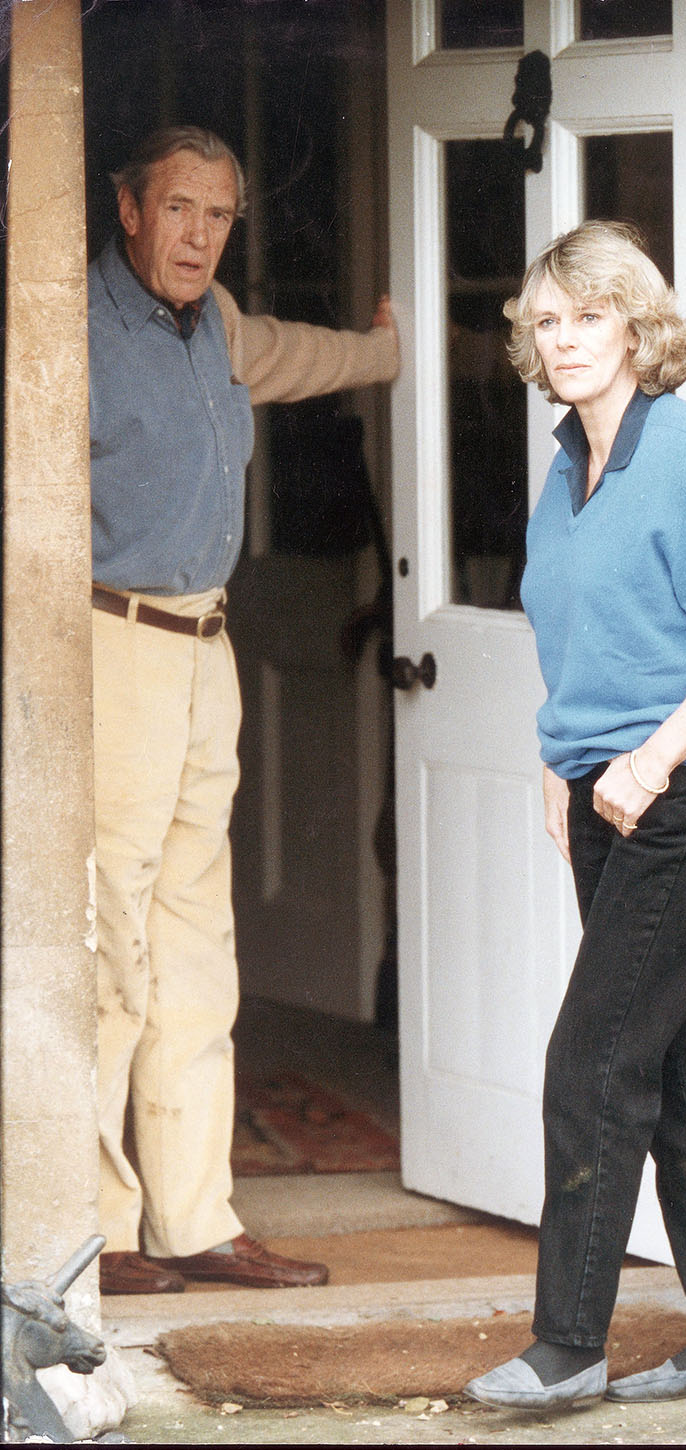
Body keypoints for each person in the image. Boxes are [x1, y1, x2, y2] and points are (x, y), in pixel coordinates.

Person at [464, 221, 686, 1410]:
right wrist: (562, 760)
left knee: (592, 1057)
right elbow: (581, 638)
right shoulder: (566, 471)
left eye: (588, 317)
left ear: (638, 328)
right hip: (607, 795)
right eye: (545, 322)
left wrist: (647, 763)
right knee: (674, 1063)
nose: (562, 340)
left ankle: (566, 1347)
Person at [89, 125, 399, 1296]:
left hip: (203, 653)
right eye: (179, 210)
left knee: (194, 950)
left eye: (220, 215)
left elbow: (300, 357)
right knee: (104, 948)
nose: (199, 235)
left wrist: (387, 348)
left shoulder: (215, 324)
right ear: (130, 209)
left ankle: (194, 1219)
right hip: (106, 647)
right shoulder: (66, 330)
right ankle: (94, 1230)